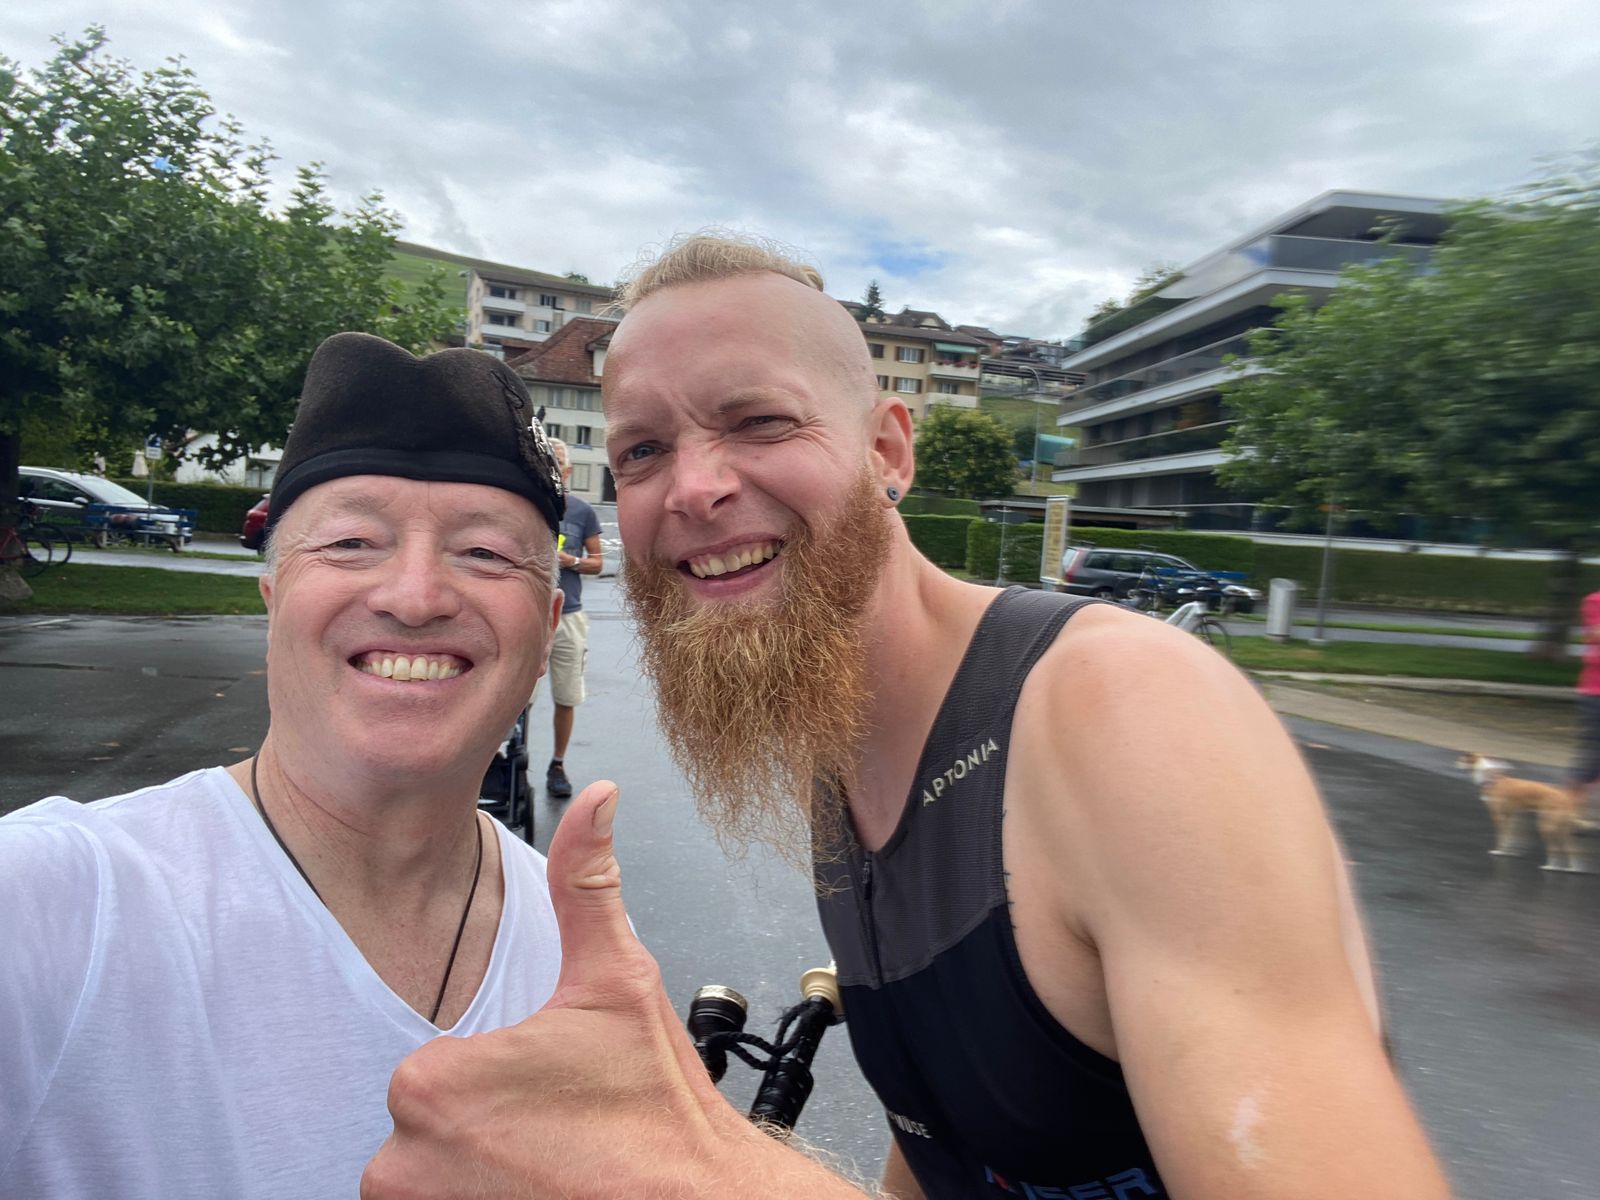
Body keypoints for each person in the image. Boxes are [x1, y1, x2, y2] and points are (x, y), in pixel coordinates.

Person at [364, 239, 1450, 1199]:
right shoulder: (843, 745)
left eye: (759, 420)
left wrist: (694, 1178)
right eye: (642, 451)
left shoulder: (1123, 712)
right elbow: (952, 1144)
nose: (691, 488)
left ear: (888, 451)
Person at [0, 332, 572, 1199]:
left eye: (486, 553)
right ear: (273, 602)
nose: (415, 596)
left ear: (546, 628)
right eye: (351, 542)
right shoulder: (49, 908)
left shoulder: (580, 945)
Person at [538, 437, 604, 800]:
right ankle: (501, 760)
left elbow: (598, 563)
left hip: (569, 617)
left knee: (566, 696)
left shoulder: (582, 512)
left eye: (558, 463)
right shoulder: (527, 503)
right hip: (528, 618)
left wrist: (572, 562)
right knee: (511, 698)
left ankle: (558, 763)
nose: (552, 469)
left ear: (568, 472)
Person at [1570, 588, 1600, 822]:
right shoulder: (1595, 601)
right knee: (1593, 755)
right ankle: (1568, 810)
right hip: (1596, 691)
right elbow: (1596, 634)